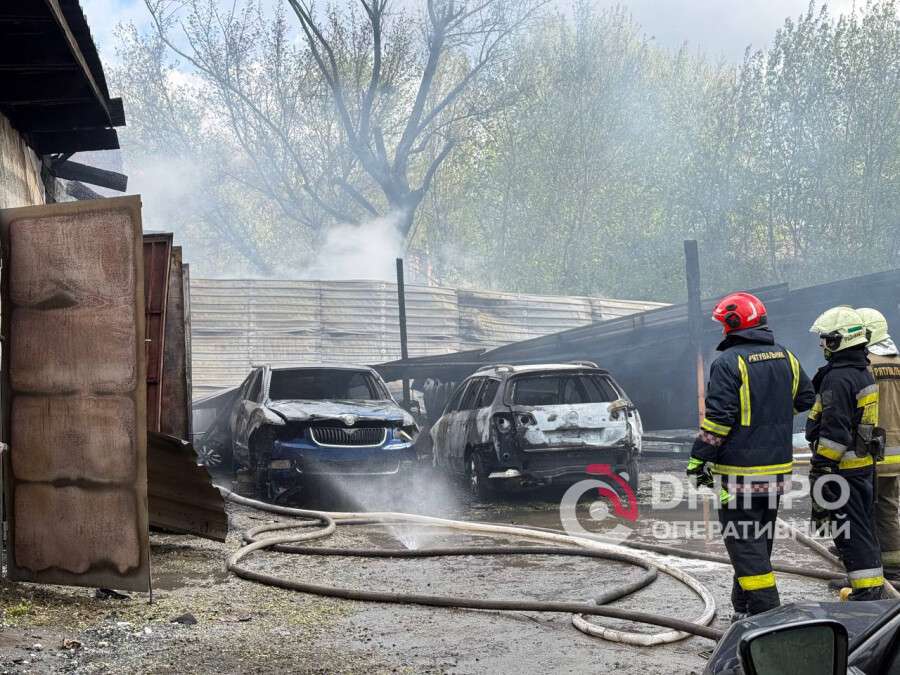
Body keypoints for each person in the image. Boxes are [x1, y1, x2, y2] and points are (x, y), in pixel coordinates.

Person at [686, 291, 814, 619]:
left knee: (745, 546)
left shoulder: (728, 362)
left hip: (739, 473)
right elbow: (806, 398)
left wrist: (699, 458)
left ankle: (767, 617)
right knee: (757, 543)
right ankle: (743, 610)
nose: (721, 329)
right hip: (777, 472)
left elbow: (718, 420)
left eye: (723, 323)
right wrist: (771, 415)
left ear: (733, 323)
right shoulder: (786, 356)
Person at [806, 306, 884, 600]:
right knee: (862, 529)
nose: (823, 345)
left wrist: (822, 466)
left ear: (842, 339)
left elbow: (835, 430)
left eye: (827, 339)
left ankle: (867, 595)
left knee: (849, 532)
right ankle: (870, 587)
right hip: (862, 466)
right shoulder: (861, 372)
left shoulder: (838, 379)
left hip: (843, 470)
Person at [857, 307, 900, 580]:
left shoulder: (866, 365)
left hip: (872, 449)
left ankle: (865, 561)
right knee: (888, 506)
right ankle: (893, 563)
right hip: (897, 451)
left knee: (861, 508)